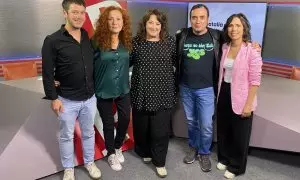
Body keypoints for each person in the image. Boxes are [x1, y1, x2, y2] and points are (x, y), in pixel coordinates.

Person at [175, 4, 261, 173]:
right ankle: (193, 147)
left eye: (202, 17)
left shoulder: (216, 36)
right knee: (192, 122)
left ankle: (204, 152)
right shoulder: (182, 36)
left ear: (208, 19)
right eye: (194, 17)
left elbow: (238, 40)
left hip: (207, 89)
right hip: (186, 88)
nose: (198, 21)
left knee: (206, 124)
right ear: (190, 18)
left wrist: (253, 45)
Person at [41, 0, 101, 180]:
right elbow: (47, 73)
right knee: (67, 136)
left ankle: (89, 162)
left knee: (88, 132)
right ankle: (69, 168)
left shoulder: (86, 37)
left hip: (89, 98)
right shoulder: (52, 40)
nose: (79, 16)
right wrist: (54, 97)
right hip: (66, 100)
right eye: (75, 12)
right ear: (65, 13)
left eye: (82, 12)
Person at [130, 9, 177, 178]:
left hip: (163, 93)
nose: (154, 26)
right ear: (145, 24)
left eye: (158, 23)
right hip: (141, 93)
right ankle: (144, 152)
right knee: (141, 127)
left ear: (162, 26)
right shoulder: (136, 42)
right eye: (151, 22)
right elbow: (125, 62)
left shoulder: (170, 42)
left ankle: (160, 162)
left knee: (160, 131)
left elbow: (178, 63)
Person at [216, 13, 262, 179]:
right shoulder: (225, 47)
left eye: (238, 26)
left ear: (244, 29)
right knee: (223, 129)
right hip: (224, 93)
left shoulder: (252, 51)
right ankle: (224, 157)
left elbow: (255, 81)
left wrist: (249, 104)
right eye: (231, 25)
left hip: (242, 96)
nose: (233, 29)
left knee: (239, 134)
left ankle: (236, 166)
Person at [92, 6, 132, 171]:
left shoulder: (127, 41)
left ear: (123, 22)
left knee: (124, 119)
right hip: (103, 89)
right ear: (105, 22)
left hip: (123, 88)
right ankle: (111, 154)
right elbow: (87, 64)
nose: (115, 22)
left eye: (118, 19)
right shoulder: (96, 42)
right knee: (108, 123)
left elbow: (129, 61)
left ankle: (117, 146)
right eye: (110, 19)